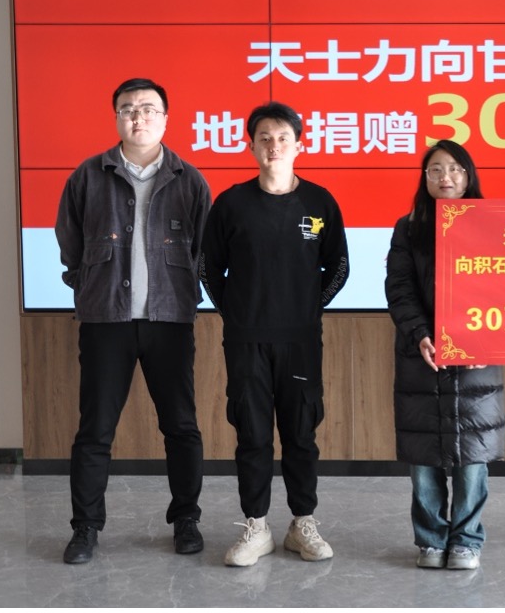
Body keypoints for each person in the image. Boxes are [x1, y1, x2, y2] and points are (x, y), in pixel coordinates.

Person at [55, 77, 209, 565]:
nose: (138, 116)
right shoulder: (88, 175)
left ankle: (186, 519)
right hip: (106, 321)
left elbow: (205, 250)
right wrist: (88, 285)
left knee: (181, 426)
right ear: (116, 117)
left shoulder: (189, 179)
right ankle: (85, 527)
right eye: (128, 109)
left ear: (165, 118)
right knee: (95, 429)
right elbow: (69, 243)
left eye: (148, 108)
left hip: (170, 320)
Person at [199, 101, 350, 567]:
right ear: (251, 146)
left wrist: (307, 309)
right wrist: (236, 314)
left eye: (283, 137)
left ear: (299, 145)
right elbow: (208, 269)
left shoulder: (319, 202)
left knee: (301, 433)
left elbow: (339, 267)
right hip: (246, 340)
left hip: (300, 340)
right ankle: (257, 526)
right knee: (252, 433)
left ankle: (302, 524)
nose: (274, 145)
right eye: (264, 137)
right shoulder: (231, 204)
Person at [384, 139, 505, 571]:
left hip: (478, 362)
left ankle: (467, 541)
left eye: (454, 168)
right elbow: (399, 288)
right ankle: (431, 540)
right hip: (422, 356)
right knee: (424, 458)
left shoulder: (493, 226)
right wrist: (419, 334)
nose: (445, 177)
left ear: (468, 176)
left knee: (472, 455)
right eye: (435, 170)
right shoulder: (408, 228)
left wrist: (486, 339)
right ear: (425, 179)